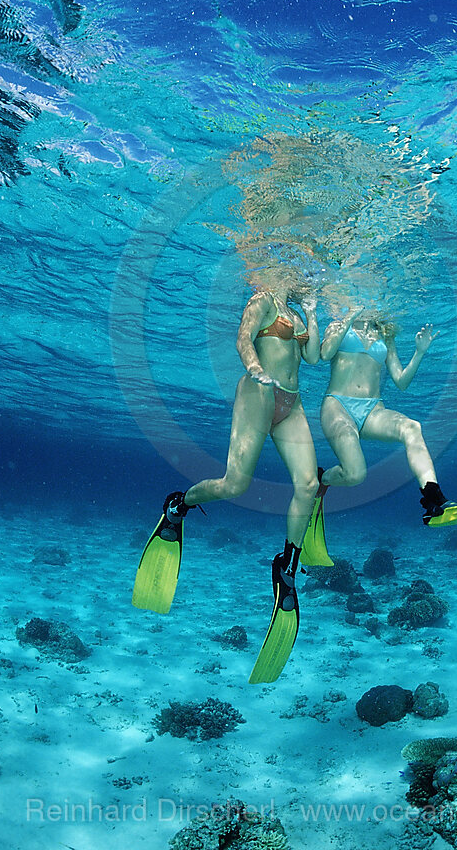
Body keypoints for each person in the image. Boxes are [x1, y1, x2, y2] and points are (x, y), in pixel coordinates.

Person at [132, 280, 321, 683]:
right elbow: (243, 338)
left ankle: (286, 567)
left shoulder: (296, 309)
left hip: (292, 401)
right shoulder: (263, 300)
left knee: (308, 484)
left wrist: (315, 311)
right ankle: (177, 506)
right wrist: (255, 369)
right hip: (258, 393)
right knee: (235, 484)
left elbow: (313, 357)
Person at [318, 308, 447, 524]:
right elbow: (324, 354)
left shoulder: (385, 333)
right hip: (338, 406)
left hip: (373, 410)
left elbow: (401, 382)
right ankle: (322, 478)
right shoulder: (338, 324)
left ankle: (433, 495)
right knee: (355, 475)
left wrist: (419, 352)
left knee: (412, 427)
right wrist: (347, 319)